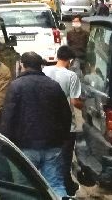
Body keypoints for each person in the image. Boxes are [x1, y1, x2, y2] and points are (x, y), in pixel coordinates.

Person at [0, 52, 72, 197]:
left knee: (24, 188)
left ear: (22, 65)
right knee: (55, 184)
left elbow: (8, 117)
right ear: (40, 66)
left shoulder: (16, 86)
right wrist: (61, 139)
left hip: (24, 147)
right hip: (52, 146)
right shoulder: (53, 86)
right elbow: (66, 115)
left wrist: (6, 144)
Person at [43, 46, 84, 197]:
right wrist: (84, 104)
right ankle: (66, 187)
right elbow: (74, 101)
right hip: (66, 124)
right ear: (70, 61)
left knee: (48, 158)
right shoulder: (71, 76)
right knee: (65, 158)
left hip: (47, 122)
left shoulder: (45, 71)